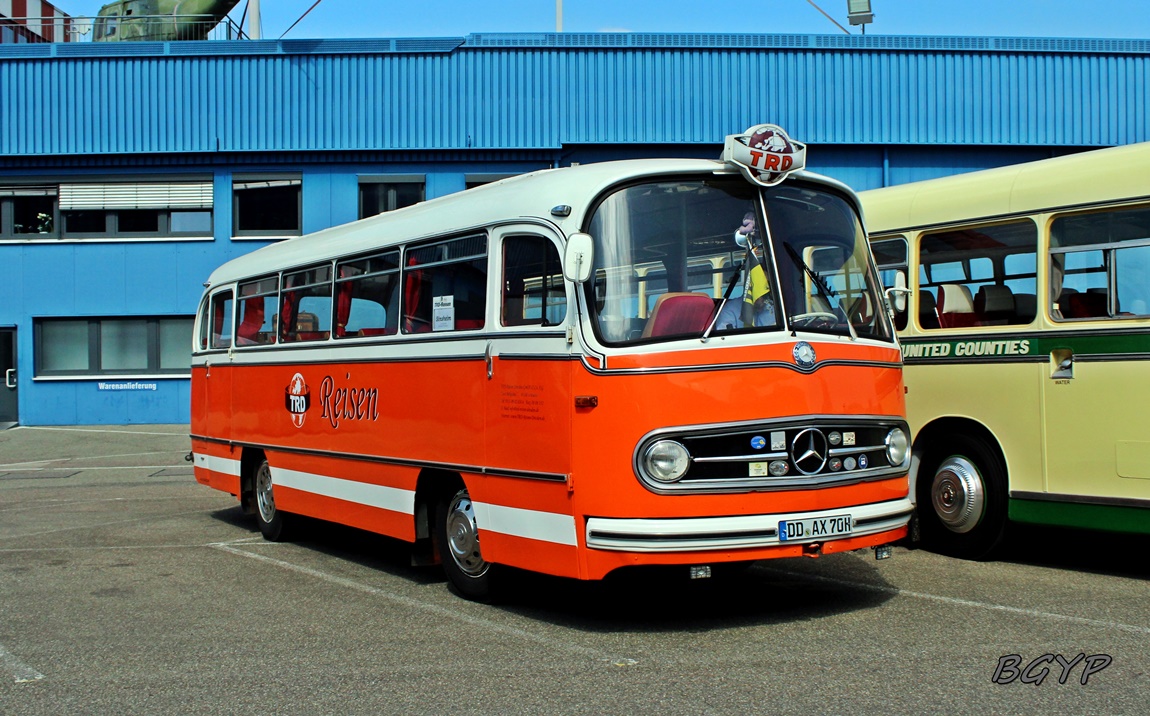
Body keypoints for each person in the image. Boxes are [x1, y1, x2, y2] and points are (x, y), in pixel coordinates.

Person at [715, 211, 776, 330]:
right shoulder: (730, 310)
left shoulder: (773, 309)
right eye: (757, 289)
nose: (761, 297)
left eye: (765, 290)